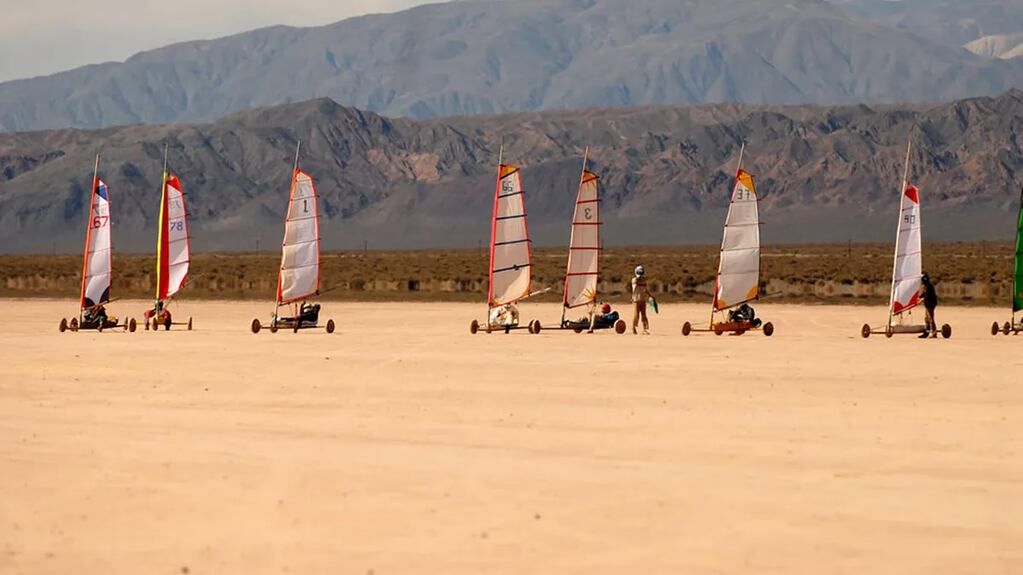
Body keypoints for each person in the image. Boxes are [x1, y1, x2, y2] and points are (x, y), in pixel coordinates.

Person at [631, 265, 650, 335]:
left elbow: (645, 289)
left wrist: (650, 296)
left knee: (644, 315)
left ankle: (645, 329)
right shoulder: (634, 280)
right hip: (636, 299)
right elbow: (634, 286)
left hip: (643, 299)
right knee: (636, 314)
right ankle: (633, 327)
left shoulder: (644, 280)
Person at [920, 272, 938, 339]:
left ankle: (933, 332)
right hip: (927, 304)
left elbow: (927, 295)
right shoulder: (925, 286)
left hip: (930, 304)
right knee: (926, 319)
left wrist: (922, 299)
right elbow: (922, 294)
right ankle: (927, 332)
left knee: (930, 318)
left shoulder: (928, 286)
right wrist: (919, 297)